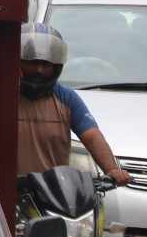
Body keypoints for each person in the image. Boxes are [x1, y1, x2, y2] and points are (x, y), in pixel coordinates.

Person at [16, 23, 131, 186]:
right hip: (2, 191)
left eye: (46, 65)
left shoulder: (66, 98)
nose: (39, 70)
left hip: (53, 192)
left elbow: (92, 136)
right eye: (33, 63)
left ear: (56, 67)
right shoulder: (1, 97)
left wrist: (112, 169)